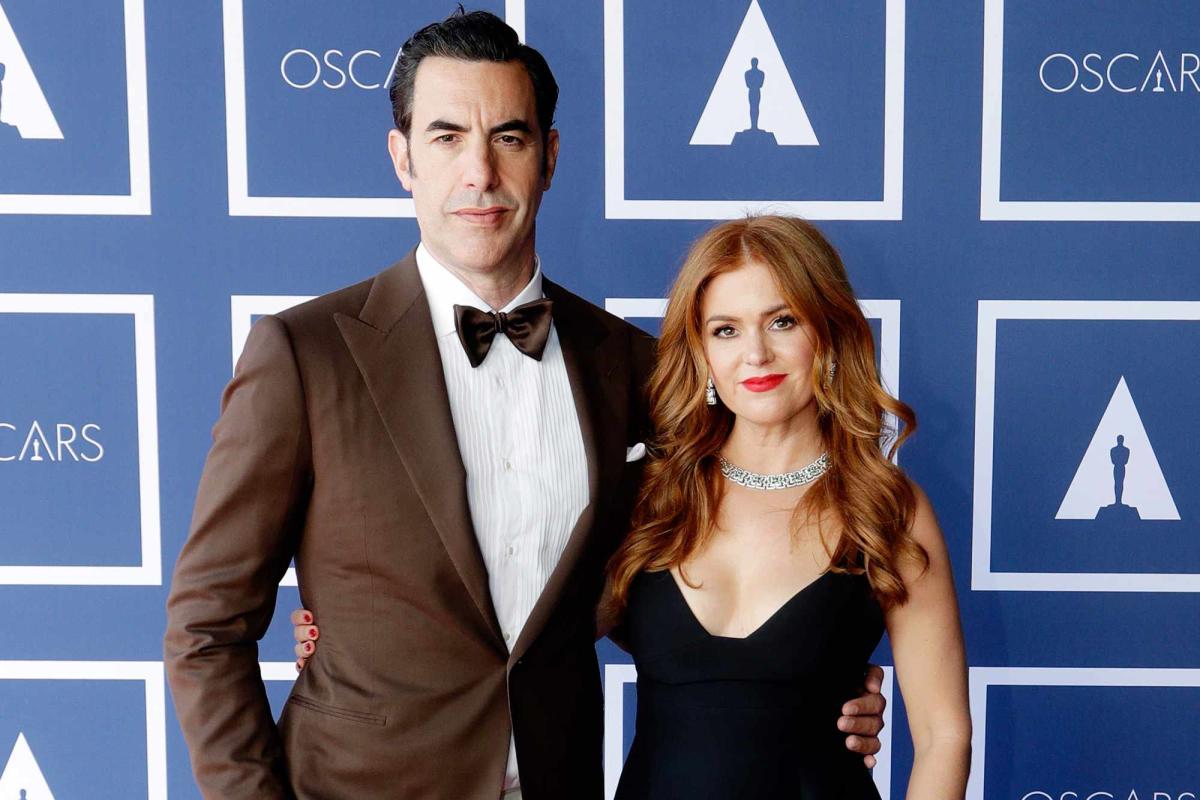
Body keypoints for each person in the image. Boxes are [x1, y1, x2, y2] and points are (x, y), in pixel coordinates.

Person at [164, 11, 886, 800]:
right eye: (446, 138)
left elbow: (701, 575)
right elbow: (207, 627)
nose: (479, 172)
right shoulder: (305, 356)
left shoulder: (633, 366)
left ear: (549, 157)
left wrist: (808, 681)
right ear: (402, 157)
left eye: (507, 137)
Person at [295, 216, 970, 797]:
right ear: (700, 349)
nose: (755, 354)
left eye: (783, 321)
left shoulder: (886, 508)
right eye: (726, 330)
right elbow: (526, 629)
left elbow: (944, 736)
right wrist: (366, 632)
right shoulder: (651, 492)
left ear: (829, 332)